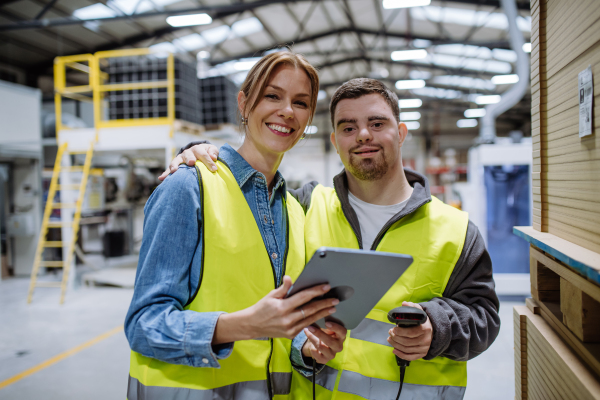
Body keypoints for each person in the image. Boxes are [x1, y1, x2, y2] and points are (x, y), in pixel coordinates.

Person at [168, 78, 501, 399]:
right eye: (348, 127)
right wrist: (198, 154)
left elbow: (485, 317)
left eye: (377, 123)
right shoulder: (302, 207)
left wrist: (437, 328)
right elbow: (246, 193)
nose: (363, 135)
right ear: (335, 141)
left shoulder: (456, 230)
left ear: (401, 133)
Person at [125, 51, 347, 400]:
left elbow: (279, 329)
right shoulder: (188, 187)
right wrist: (241, 326)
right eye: (273, 96)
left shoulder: (292, 210)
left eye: (300, 102)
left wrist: (306, 346)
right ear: (243, 104)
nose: (287, 111)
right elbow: (143, 325)